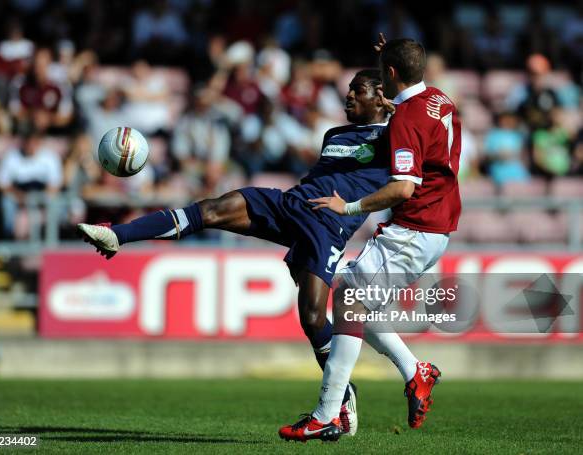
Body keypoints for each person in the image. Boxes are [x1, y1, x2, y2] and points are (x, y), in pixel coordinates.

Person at [77, 70, 395, 436]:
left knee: (311, 317)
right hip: (290, 203)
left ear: (381, 97)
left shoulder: (391, 136)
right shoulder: (334, 135)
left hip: (328, 225)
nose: (349, 96)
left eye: (359, 90)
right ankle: (117, 236)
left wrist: (398, 105)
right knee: (211, 209)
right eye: (349, 89)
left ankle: (341, 395)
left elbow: (428, 126)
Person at [279, 37, 461, 442]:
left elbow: (402, 190)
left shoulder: (406, 119)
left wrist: (348, 208)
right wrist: (388, 56)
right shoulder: (438, 98)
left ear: (391, 75)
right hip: (435, 223)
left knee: (347, 300)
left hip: (416, 228)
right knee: (353, 295)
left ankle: (327, 413)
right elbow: (411, 104)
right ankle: (416, 372)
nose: (378, 83)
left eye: (382, 75)